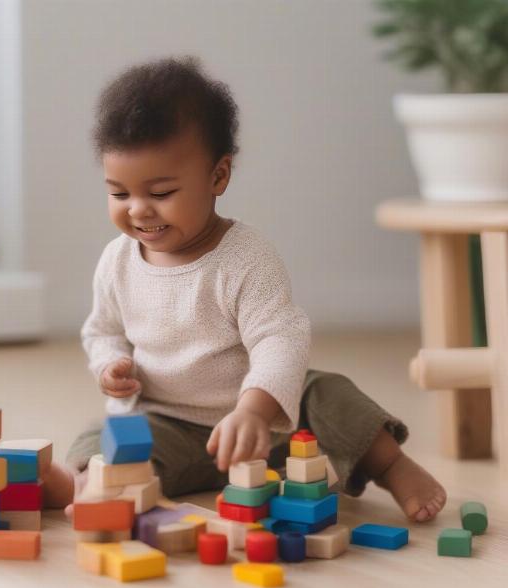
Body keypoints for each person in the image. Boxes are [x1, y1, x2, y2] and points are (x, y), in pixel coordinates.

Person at [42, 55, 446, 523]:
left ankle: (393, 467)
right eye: (119, 194)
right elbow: (102, 330)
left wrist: (255, 410)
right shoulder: (117, 260)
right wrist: (109, 364)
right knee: (102, 439)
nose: (138, 211)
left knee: (329, 394)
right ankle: (84, 482)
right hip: (165, 420)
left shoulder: (246, 258)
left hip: (264, 427)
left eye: (161, 193)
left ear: (218, 176)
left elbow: (282, 337)